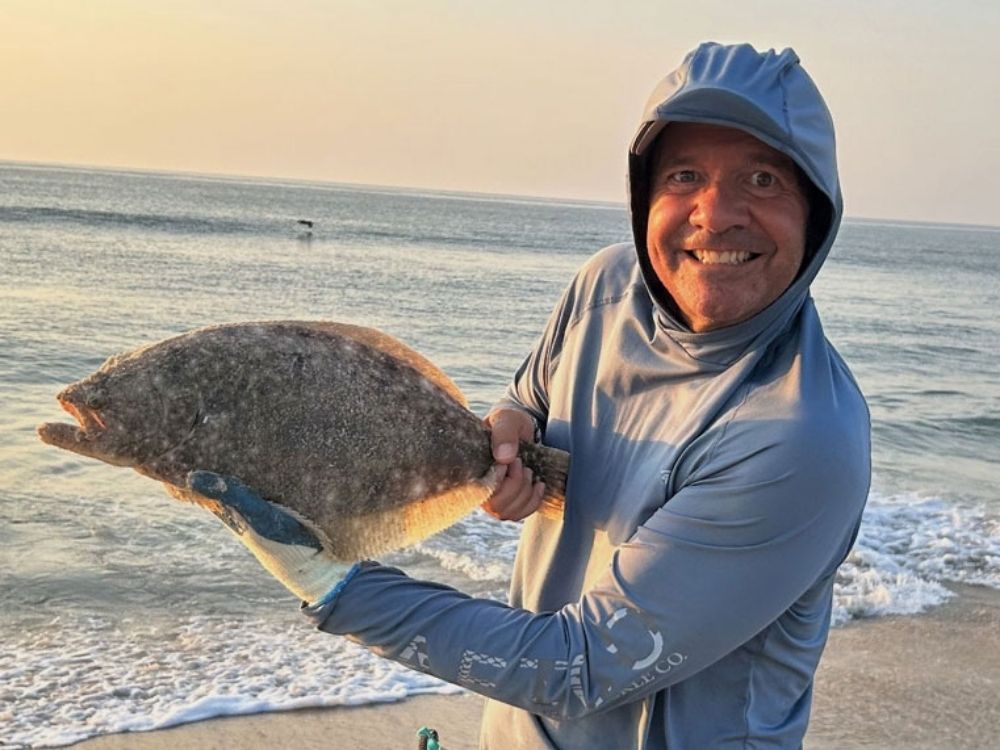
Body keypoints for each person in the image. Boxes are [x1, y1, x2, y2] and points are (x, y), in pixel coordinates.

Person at [191, 41, 871, 749]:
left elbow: (579, 668)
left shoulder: (800, 436)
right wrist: (507, 445)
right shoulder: (607, 288)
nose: (715, 213)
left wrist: (333, 583)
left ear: (816, 212)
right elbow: (530, 397)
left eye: (762, 179)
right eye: (685, 175)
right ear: (645, 195)